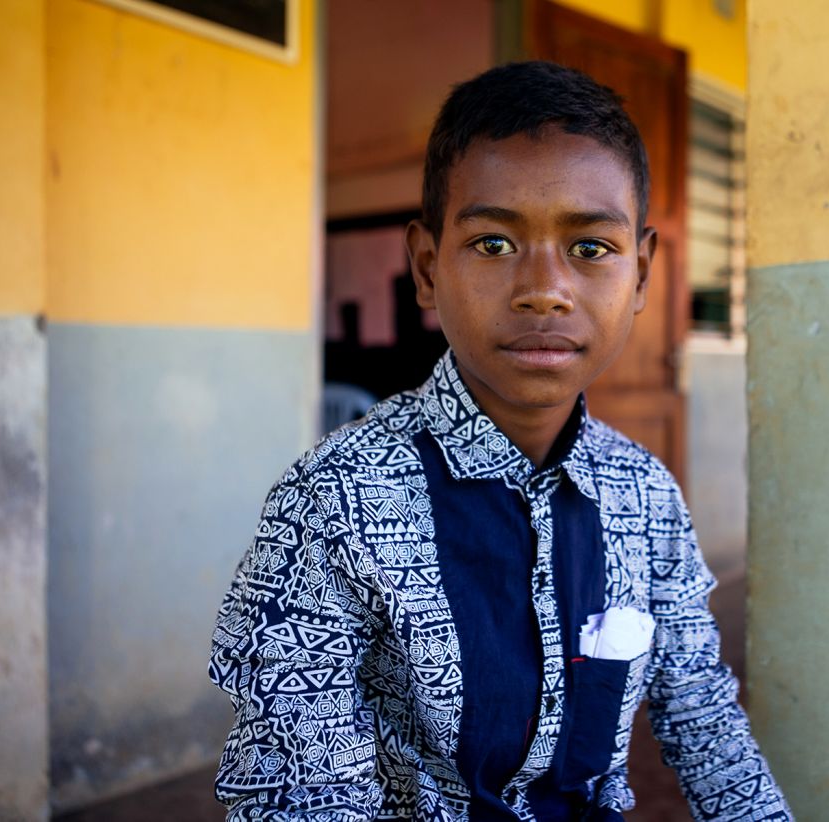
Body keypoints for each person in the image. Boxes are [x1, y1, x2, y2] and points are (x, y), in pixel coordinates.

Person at [209, 61, 791, 821]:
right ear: (426, 267)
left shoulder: (647, 497)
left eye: (591, 249)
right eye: (492, 244)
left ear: (642, 274)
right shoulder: (333, 504)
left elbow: (704, 722)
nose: (544, 288)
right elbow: (303, 798)